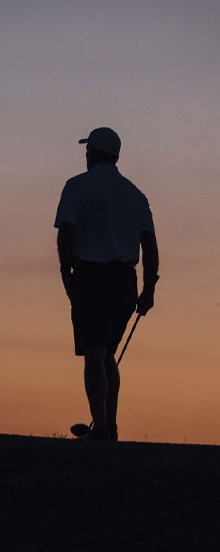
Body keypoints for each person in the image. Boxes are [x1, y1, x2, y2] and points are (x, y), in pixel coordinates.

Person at [55, 127, 159, 440]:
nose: (85, 156)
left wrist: (65, 271)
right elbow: (150, 245)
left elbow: (66, 232)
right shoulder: (135, 193)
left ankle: (100, 428)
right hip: (124, 280)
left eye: (88, 151)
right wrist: (149, 288)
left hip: (90, 276)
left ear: (94, 153)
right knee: (106, 354)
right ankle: (107, 426)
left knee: (94, 352)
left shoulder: (77, 186)